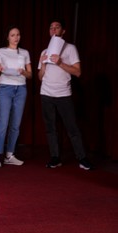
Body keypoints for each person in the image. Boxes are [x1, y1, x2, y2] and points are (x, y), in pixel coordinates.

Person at [38, 18, 92, 170]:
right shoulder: (44, 51)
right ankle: (55, 157)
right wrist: (42, 64)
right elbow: (40, 77)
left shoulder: (70, 48)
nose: (54, 29)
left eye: (57, 27)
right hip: (46, 94)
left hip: (63, 94)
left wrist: (60, 63)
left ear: (63, 31)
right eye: (51, 27)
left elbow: (78, 72)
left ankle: (82, 158)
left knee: (72, 127)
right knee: (50, 128)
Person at [0, 26, 32, 168]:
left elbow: (30, 74)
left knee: (15, 124)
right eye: (13, 35)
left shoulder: (24, 53)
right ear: (8, 37)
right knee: (3, 123)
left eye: (18, 35)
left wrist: (23, 72)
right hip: (5, 88)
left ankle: (9, 155)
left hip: (20, 89)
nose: (16, 37)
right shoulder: (1, 52)